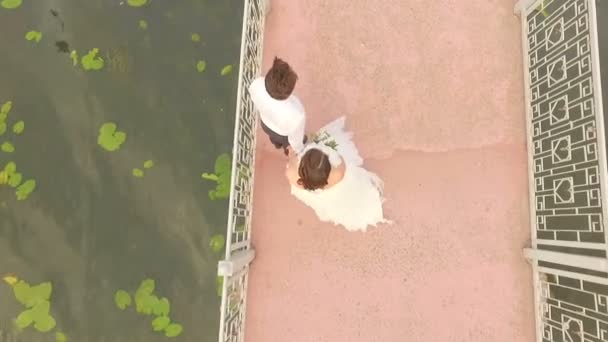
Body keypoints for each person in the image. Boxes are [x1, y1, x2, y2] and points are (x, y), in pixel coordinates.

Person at [285, 116, 390, 231]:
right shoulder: (338, 172)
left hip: (311, 186)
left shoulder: (292, 174)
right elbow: (342, 161)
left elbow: (291, 159)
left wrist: (292, 155)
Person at [248, 57, 307, 156]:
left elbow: (254, 98)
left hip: (265, 124)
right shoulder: (297, 114)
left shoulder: (256, 84)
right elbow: (295, 139)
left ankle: (276, 145)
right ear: (288, 93)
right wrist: (299, 149)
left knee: (273, 138)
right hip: (282, 134)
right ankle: (285, 150)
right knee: (287, 143)